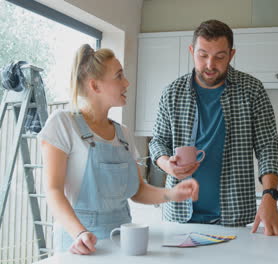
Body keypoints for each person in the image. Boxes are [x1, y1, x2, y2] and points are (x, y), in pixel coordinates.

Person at [39, 44, 199, 255]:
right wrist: (79, 233)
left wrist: (172, 194)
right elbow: (53, 190)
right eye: (119, 76)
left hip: (123, 244)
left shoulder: (123, 134)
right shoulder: (62, 123)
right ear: (95, 86)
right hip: (81, 247)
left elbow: (138, 191)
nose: (127, 83)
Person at [149, 19, 278, 236]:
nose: (210, 64)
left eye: (219, 57)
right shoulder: (172, 92)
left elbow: (268, 146)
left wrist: (270, 195)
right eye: (203, 55)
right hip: (180, 216)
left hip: (232, 216)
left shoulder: (252, 90)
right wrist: (166, 164)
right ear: (192, 51)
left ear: (231, 55)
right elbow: (158, 141)